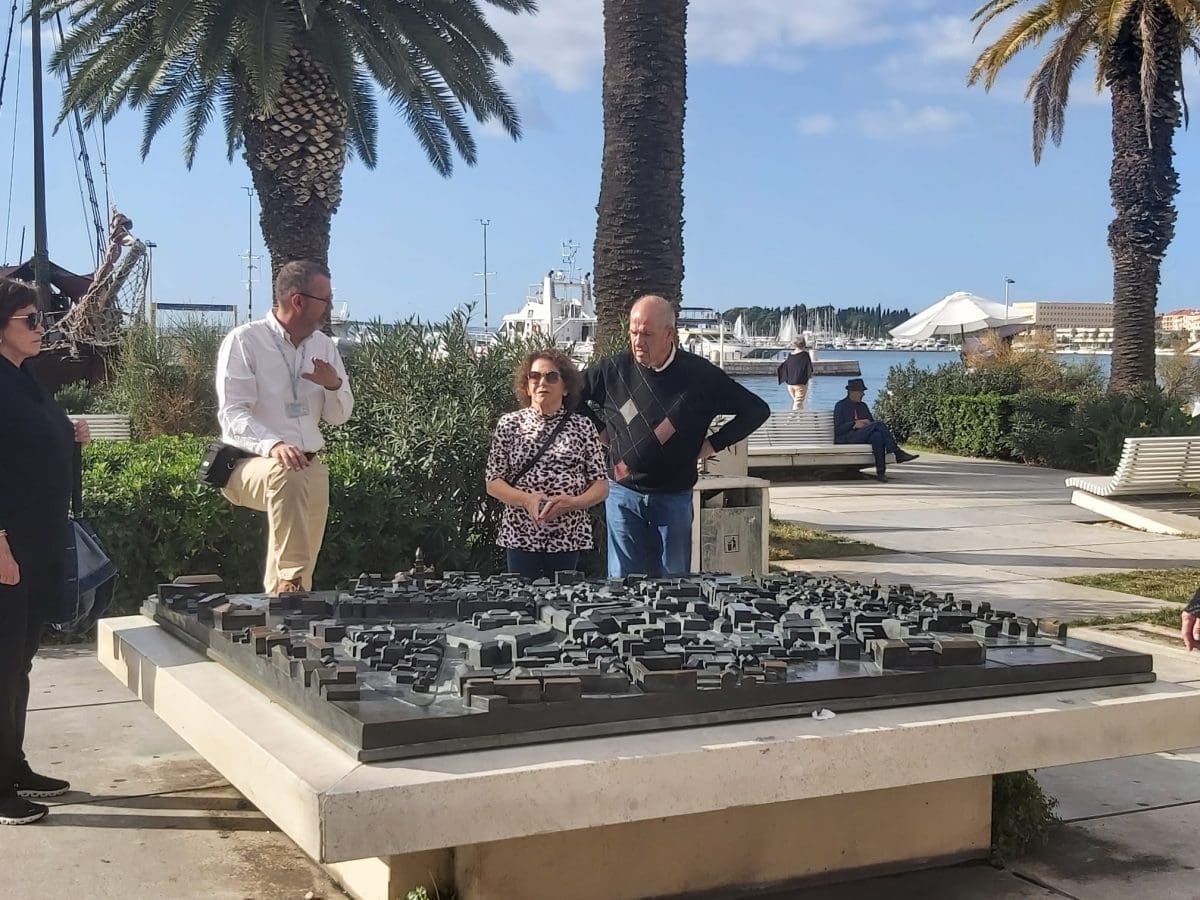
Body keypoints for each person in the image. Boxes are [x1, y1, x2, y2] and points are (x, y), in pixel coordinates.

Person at [580, 295, 769, 577]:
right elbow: (569, 395)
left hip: (673, 497)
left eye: (647, 334)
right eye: (633, 332)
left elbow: (756, 410)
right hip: (622, 495)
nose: (638, 341)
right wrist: (599, 430)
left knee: (674, 583)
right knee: (621, 584)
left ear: (670, 334)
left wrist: (712, 444)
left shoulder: (700, 376)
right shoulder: (613, 370)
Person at [0, 279, 90, 825]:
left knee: (20, 662)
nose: (42, 328)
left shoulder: (25, 376)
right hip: (8, 548)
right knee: (2, 663)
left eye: (42, 318)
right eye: (30, 319)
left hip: (38, 543)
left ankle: (14, 766)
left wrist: (70, 436)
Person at [216, 260, 353, 593]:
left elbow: (339, 416)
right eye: (325, 300)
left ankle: (284, 600)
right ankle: (291, 585)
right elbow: (232, 414)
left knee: (304, 552)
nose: (330, 307)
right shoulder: (245, 340)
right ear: (298, 301)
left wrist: (333, 385)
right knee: (286, 474)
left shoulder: (323, 346)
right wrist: (274, 446)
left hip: (308, 465)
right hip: (246, 464)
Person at [485, 350, 608, 580]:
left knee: (563, 599)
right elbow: (493, 483)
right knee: (521, 598)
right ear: (527, 386)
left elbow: (601, 485)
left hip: (567, 536)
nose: (542, 382)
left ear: (566, 387)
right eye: (534, 376)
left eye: (551, 377)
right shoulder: (509, 425)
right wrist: (527, 500)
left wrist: (573, 503)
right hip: (520, 535)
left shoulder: (583, 426)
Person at [833, 378, 919, 483]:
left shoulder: (863, 406)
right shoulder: (840, 406)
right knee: (879, 424)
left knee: (877, 436)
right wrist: (854, 424)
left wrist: (867, 424)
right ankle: (897, 452)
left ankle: (881, 473)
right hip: (847, 437)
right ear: (852, 392)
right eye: (861, 392)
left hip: (862, 435)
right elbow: (838, 430)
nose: (863, 394)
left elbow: (872, 424)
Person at [776, 338, 814, 410]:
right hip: (800, 384)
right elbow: (808, 367)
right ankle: (792, 417)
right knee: (798, 403)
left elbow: (784, 367)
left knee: (798, 403)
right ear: (804, 344)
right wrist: (809, 376)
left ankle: (800, 417)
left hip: (790, 384)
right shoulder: (805, 355)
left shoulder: (790, 355)